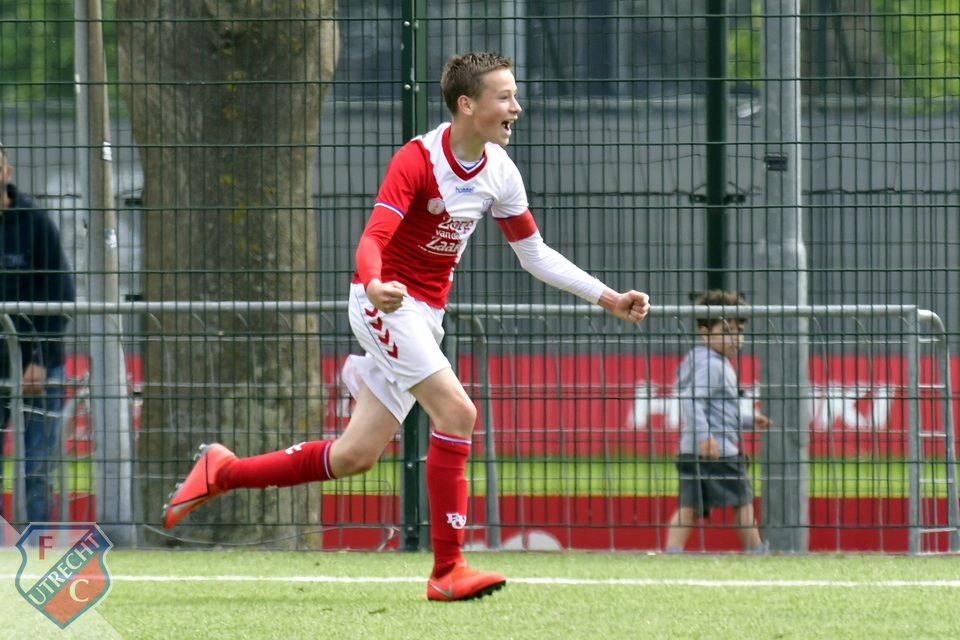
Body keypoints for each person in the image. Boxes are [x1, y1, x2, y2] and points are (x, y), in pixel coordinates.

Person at [162, 51, 650, 600]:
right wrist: (374, 284)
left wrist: (608, 297)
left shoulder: (500, 171)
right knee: (458, 412)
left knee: (355, 455)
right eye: (505, 97)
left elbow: (534, 253)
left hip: (424, 317)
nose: (517, 106)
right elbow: (373, 238)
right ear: (467, 105)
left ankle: (221, 471)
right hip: (384, 306)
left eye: (515, 95)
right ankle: (447, 570)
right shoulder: (418, 159)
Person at [0, 143, 76, 523]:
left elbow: (61, 294)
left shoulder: (36, 222)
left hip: (39, 367)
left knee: (37, 472)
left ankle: (36, 546)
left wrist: (40, 360)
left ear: (7, 172)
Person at [664, 290, 771, 553]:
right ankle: (756, 549)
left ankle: (672, 552)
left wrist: (747, 420)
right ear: (704, 333)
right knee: (742, 499)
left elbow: (716, 409)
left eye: (739, 331)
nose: (735, 338)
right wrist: (706, 437)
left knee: (689, 505)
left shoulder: (697, 360)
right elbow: (692, 401)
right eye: (726, 331)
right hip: (717, 448)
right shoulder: (715, 365)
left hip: (690, 449)